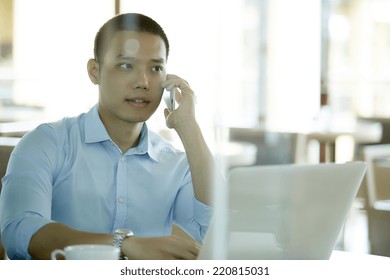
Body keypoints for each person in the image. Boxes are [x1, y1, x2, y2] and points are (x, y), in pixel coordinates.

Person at [0, 13, 214, 260]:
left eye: (156, 68)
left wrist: (190, 127)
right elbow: (19, 231)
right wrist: (123, 245)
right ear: (95, 71)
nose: (143, 82)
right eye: (126, 65)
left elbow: (212, 231)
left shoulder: (176, 163)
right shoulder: (46, 143)